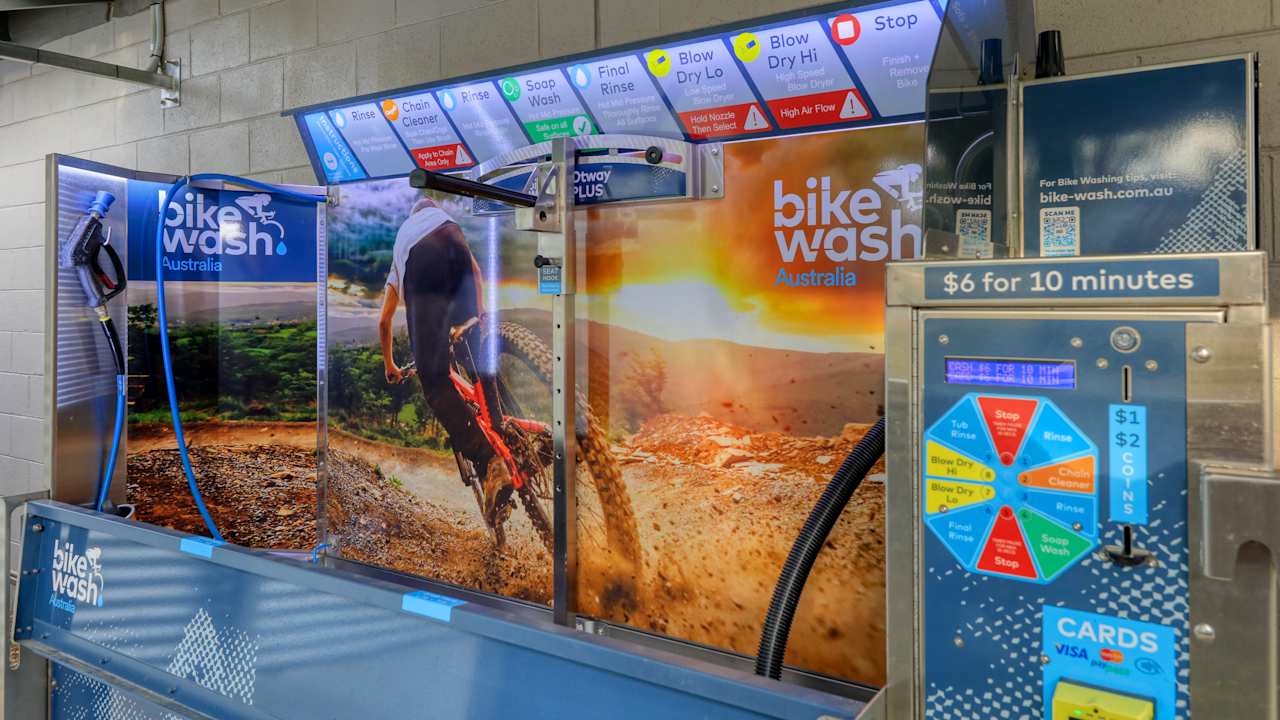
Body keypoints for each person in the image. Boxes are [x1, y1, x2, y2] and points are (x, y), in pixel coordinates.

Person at [379, 196, 511, 523]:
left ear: (411, 216)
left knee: (435, 381)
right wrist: (478, 316)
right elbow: (477, 273)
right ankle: (508, 425)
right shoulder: (446, 222)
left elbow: (384, 322)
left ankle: (490, 464)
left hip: (423, 265)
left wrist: (390, 366)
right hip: (457, 253)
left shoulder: (405, 240)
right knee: (475, 356)